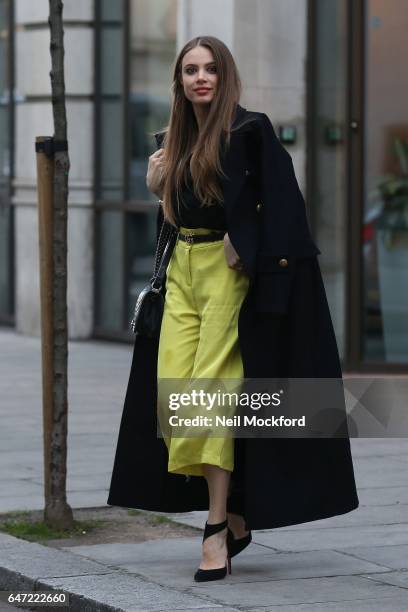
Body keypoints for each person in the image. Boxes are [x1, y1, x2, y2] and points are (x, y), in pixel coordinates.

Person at [107, 35, 359, 584]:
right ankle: (239, 514)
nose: (201, 77)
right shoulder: (171, 142)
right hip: (182, 272)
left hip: (227, 276)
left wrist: (245, 240)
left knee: (212, 397)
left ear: (226, 77)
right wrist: (157, 187)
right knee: (176, 399)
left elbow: (283, 205)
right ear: (179, 82)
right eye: (191, 70)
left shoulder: (250, 132)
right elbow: (175, 214)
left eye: (211, 69)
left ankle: (216, 529)